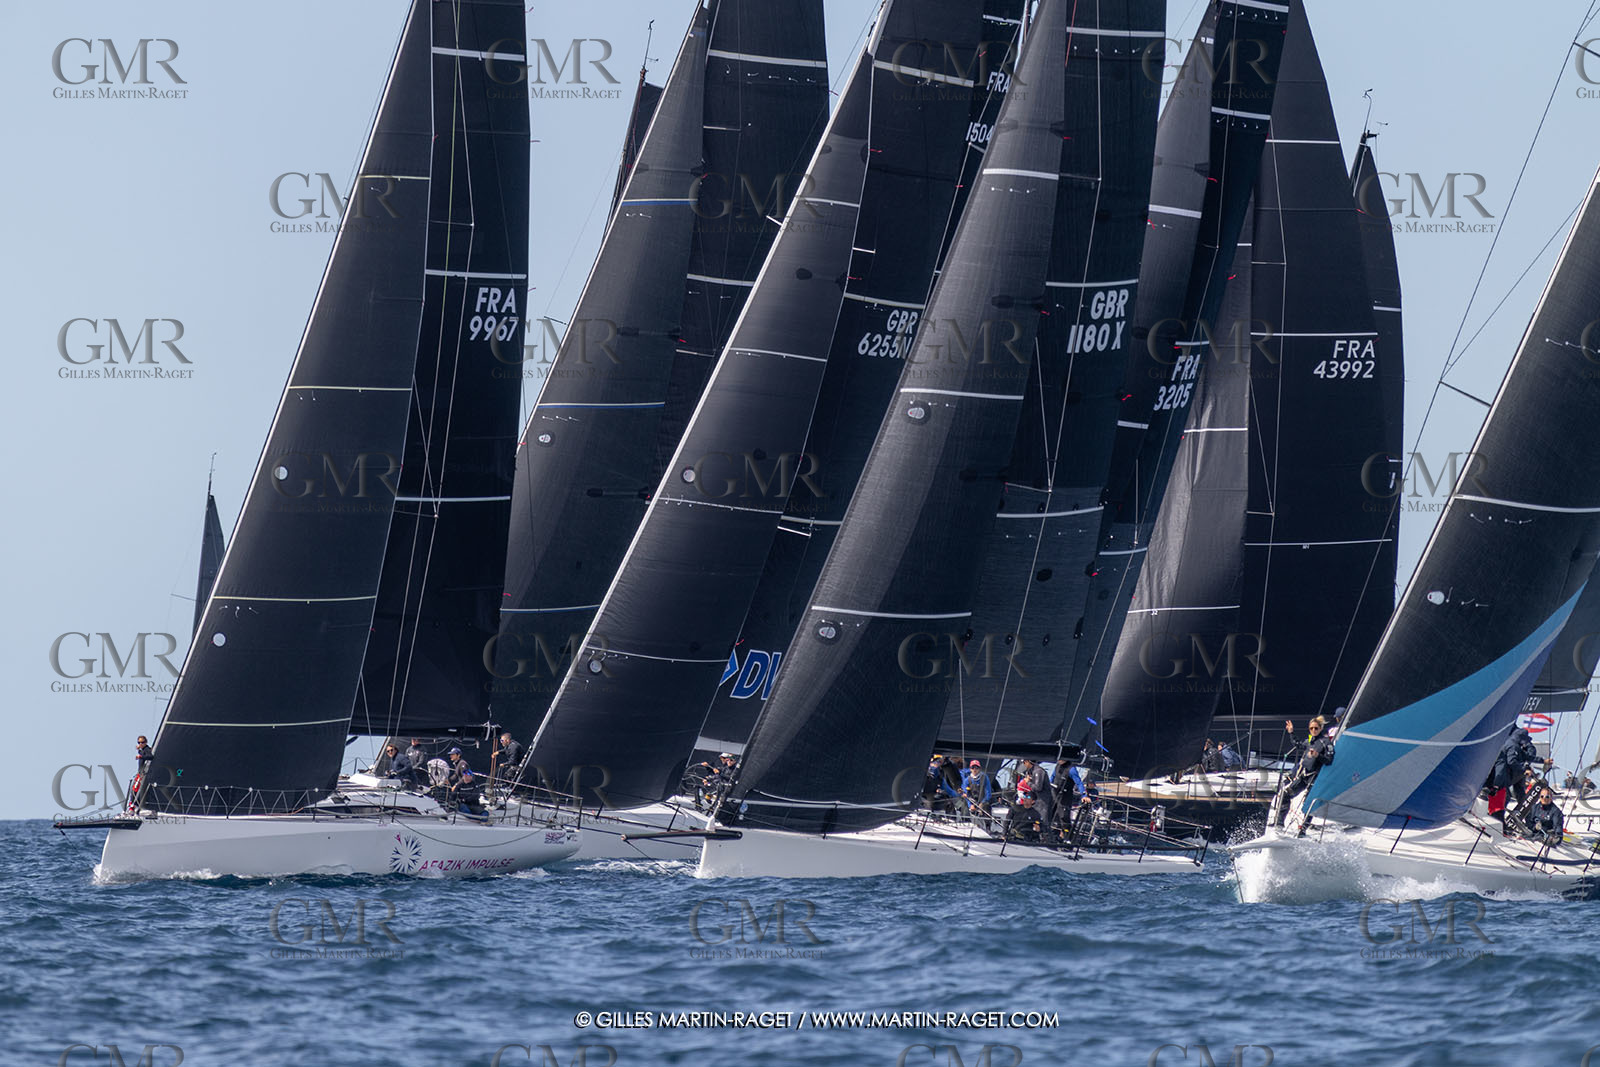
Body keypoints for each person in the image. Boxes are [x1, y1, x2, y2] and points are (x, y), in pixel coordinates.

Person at [1273, 715, 1335, 830]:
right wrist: (1291, 732)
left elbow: (1329, 760)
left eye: (1316, 728)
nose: (1313, 730)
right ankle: (1279, 824)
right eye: (1311, 728)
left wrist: (1318, 756)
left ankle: (1304, 828)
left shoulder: (1326, 742)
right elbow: (1298, 745)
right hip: (1304, 776)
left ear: (1321, 728)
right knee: (1286, 794)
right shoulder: (1310, 740)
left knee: (1309, 803)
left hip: (1315, 778)